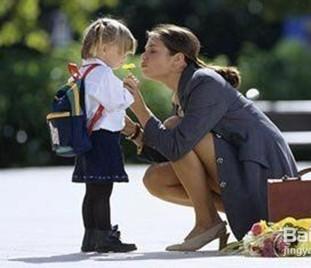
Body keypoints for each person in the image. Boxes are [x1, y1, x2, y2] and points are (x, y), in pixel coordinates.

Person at [123, 24, 298, 251]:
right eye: (145, 50)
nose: (143, 56)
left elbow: (177, 146)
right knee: (156, 179)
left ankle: (207, 221)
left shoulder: (204, 82)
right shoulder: (184, 91)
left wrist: (141, 109)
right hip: (242, 172)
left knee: (176, 128)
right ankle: (219, 217)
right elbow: (168, 151)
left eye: (153, 50)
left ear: (178, 60)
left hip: (265, 178)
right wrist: (134, 132)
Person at [72, 18, 137, 253]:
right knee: (103, 190)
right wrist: (129, 92)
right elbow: (115, 102)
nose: (124, 59)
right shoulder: (103, 73)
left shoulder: (84, 71)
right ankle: (104, 236)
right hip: (103, 138)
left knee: (92, 191)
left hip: (88, 137)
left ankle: (91, 236)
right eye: (122, 53)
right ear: (104, 48)